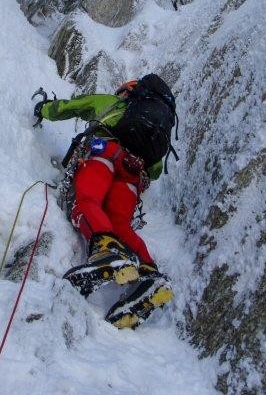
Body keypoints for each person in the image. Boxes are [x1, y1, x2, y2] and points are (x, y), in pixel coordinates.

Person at [33, 74, 176, 328]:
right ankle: (149, 275)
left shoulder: (110, 103)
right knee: (121, 225)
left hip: (104, 154)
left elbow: (69, 107)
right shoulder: (155, 129)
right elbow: (154, 170)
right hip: (134, 174)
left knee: (86, 201)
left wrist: (43, 108)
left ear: (127, 93)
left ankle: (107, 252)